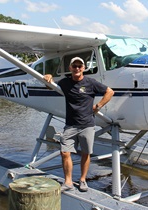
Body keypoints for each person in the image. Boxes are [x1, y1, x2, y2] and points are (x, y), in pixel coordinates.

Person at [44, 57, 114, 192]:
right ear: (70, 68)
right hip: (70, 125)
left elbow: (110, 91)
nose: (77, 68)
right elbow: (50, 85)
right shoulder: (65, 83)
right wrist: (48, 77)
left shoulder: (91, 83)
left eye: (79, 66)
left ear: (83, 68)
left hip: (87, 124)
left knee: (86, 153)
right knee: (64, 152)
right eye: (74, 66)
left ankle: (82, 180)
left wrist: (98, 105)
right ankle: (68, 181)